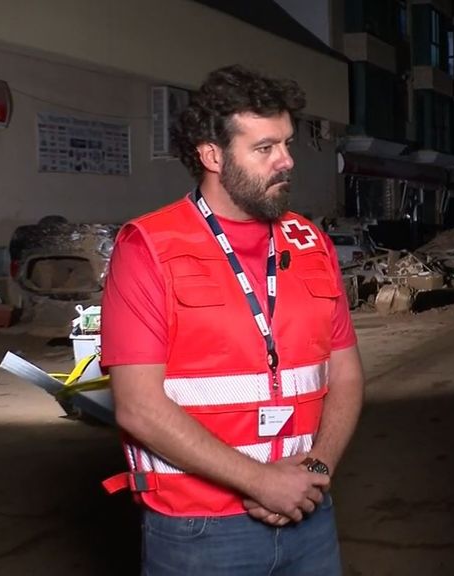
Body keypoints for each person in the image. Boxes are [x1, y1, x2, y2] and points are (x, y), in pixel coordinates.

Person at [99, 65, 364, 575]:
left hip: (309, 511)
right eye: (264, 148)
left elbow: (346, 375)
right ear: (212, 154)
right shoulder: (149, 248)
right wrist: (261, 480)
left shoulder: (310, 243)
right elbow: (138, 408)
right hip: (199, 530)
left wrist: (315, 469)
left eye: (286, 144)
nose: (286, 161)